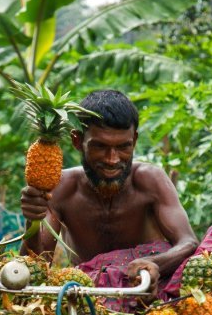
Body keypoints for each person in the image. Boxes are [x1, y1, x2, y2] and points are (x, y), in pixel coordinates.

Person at [19, 89, 199, 300]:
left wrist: (154, 264)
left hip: (151, 299)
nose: (113, 159)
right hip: (91, 304)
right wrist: (32, 221)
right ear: (77, 141)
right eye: (100, 147)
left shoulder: (150, 180)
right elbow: (36, 266)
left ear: (135, 140)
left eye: (123, 147)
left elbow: (188, 242)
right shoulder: (61, 189)